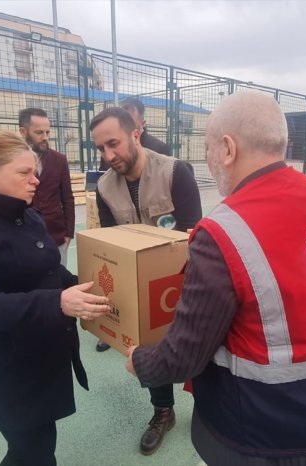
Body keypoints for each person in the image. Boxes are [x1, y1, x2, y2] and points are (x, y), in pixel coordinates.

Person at [125, 92, 306, 465]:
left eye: (207, 148)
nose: (207, 160)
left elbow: (183, 357)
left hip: (268, 434)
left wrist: (139, 361)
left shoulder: (223, 233)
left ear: (227, 148)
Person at [0, 131, 110, 466]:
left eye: (35, 172)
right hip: (3, 368)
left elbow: (48, 271)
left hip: (36, 355)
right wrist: (59, 302)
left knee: (39, 443)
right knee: (32, 449)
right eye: (24, 173)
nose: (36, 180)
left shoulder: (25, 214)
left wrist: (84, 288)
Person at [89, 107, 202, 455]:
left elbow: (193, 235)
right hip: (141, 283)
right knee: (150, 349)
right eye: (100, 149)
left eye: (114, 144)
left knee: (201, 345)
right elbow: (114, 244)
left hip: (184, 278)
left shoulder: (175, 171)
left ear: (136, 134)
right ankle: (163, 412)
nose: (108, 156)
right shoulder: (105, 186)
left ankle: (210, 408)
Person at [18, 108, 75, 267]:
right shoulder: (12, 162)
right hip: (26, 237)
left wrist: (69, 233)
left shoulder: (59, 160)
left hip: (57, 236)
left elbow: (67, 198)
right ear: (23, 131)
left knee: (60, 282)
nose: (45, 137)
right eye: (39, 132)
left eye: (47, 132)